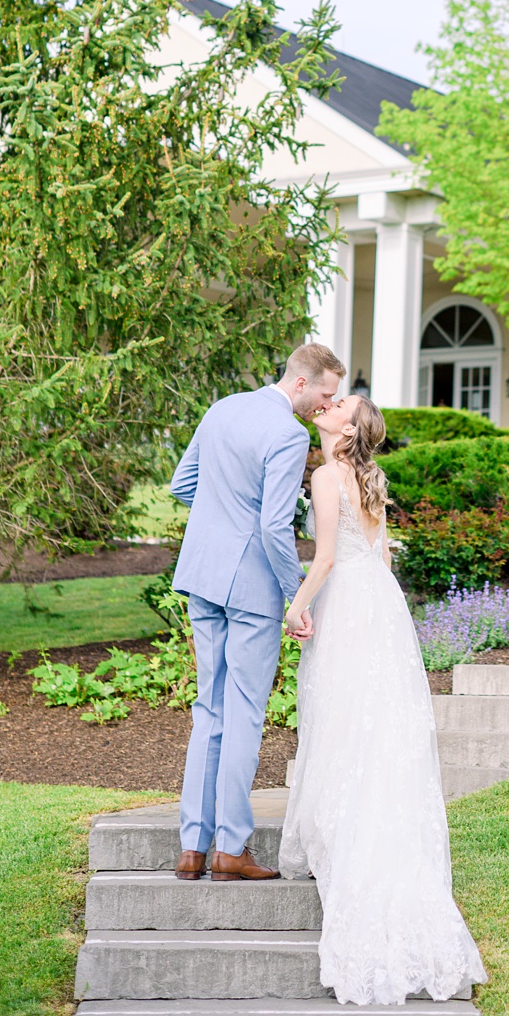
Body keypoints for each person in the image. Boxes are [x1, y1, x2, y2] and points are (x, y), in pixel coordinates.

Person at [279, 394, 487, 1006]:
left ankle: (346, 837)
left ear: (346, 430)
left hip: (348, 601)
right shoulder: (370, 476)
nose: (329, 404)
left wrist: (296, 605)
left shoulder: (324, 474)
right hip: (382, 604)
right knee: (375, 725)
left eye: (339, 403)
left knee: (344, 720)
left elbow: (323, 557)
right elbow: (380, 548)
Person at [168, 342, 343, 882]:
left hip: (201, 574)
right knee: (242, 711)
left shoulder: (222, 408)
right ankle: (231, 850)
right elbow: (271, 527)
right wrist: (298, 594)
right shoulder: (288, 434)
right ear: (300, 382)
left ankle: (192, 848)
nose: (326, 405)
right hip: (250, 589)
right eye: (325, 393)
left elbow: (182, 485)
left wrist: (222, 519)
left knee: (208, 710)